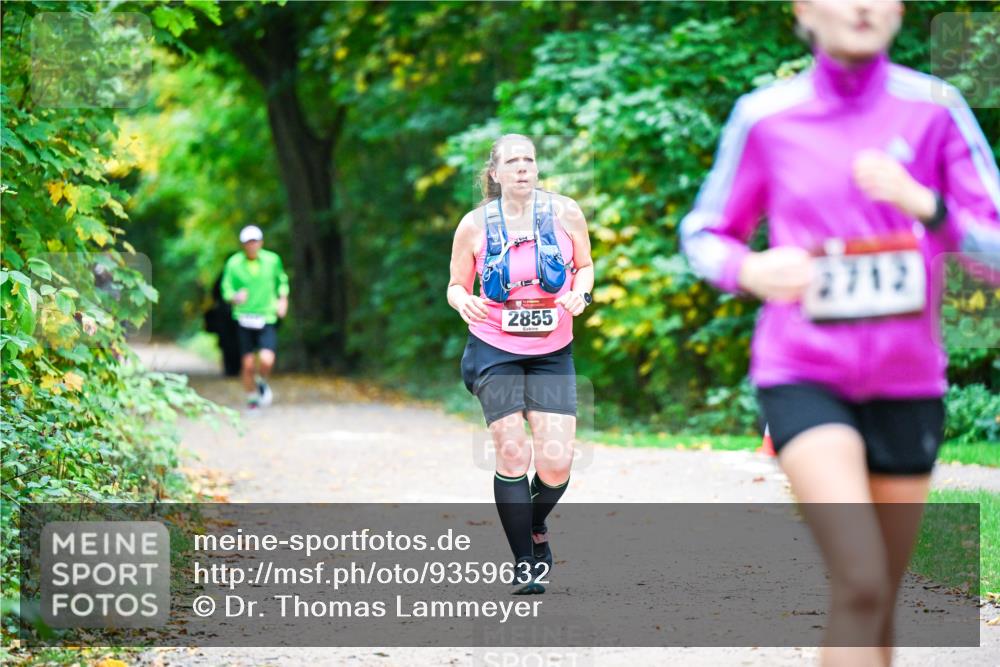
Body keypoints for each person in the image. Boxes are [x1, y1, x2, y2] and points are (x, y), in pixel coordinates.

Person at [680, 1, 999, 664]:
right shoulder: (766, 118)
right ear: (804, 9)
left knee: (876, 596)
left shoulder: (935, 109)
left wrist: (928, 206)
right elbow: (704, 235)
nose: (863, 6)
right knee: (860, 577)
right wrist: (752, 268)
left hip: (908, 379)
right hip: (803, 371)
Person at [447, 134, 595, 595]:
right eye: (512, 161)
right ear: (494, 173)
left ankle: (533, 524)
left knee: (556, 465)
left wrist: (580, 293)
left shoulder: (565, 212)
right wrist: (462, 302)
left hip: (552, 351)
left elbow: (586, 266)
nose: (523, 168)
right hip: (494, 348)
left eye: (529, 160)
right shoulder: (474, 225)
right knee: (513, 452)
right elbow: (455, 284)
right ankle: (525, 562)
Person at [221, 225, 290, 410]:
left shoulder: (272, 260)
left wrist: (282, 300)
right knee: (248, 363)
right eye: (247, 242)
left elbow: (281, 281)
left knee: (267, 359)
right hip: (244, 317)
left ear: (261, 242)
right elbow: (226, 288)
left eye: (254, 241)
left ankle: (261, 381)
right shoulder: (234, 263)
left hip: (266, 316)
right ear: (243, 244)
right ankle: (252, 398)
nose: (251, 245)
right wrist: (234, 297)